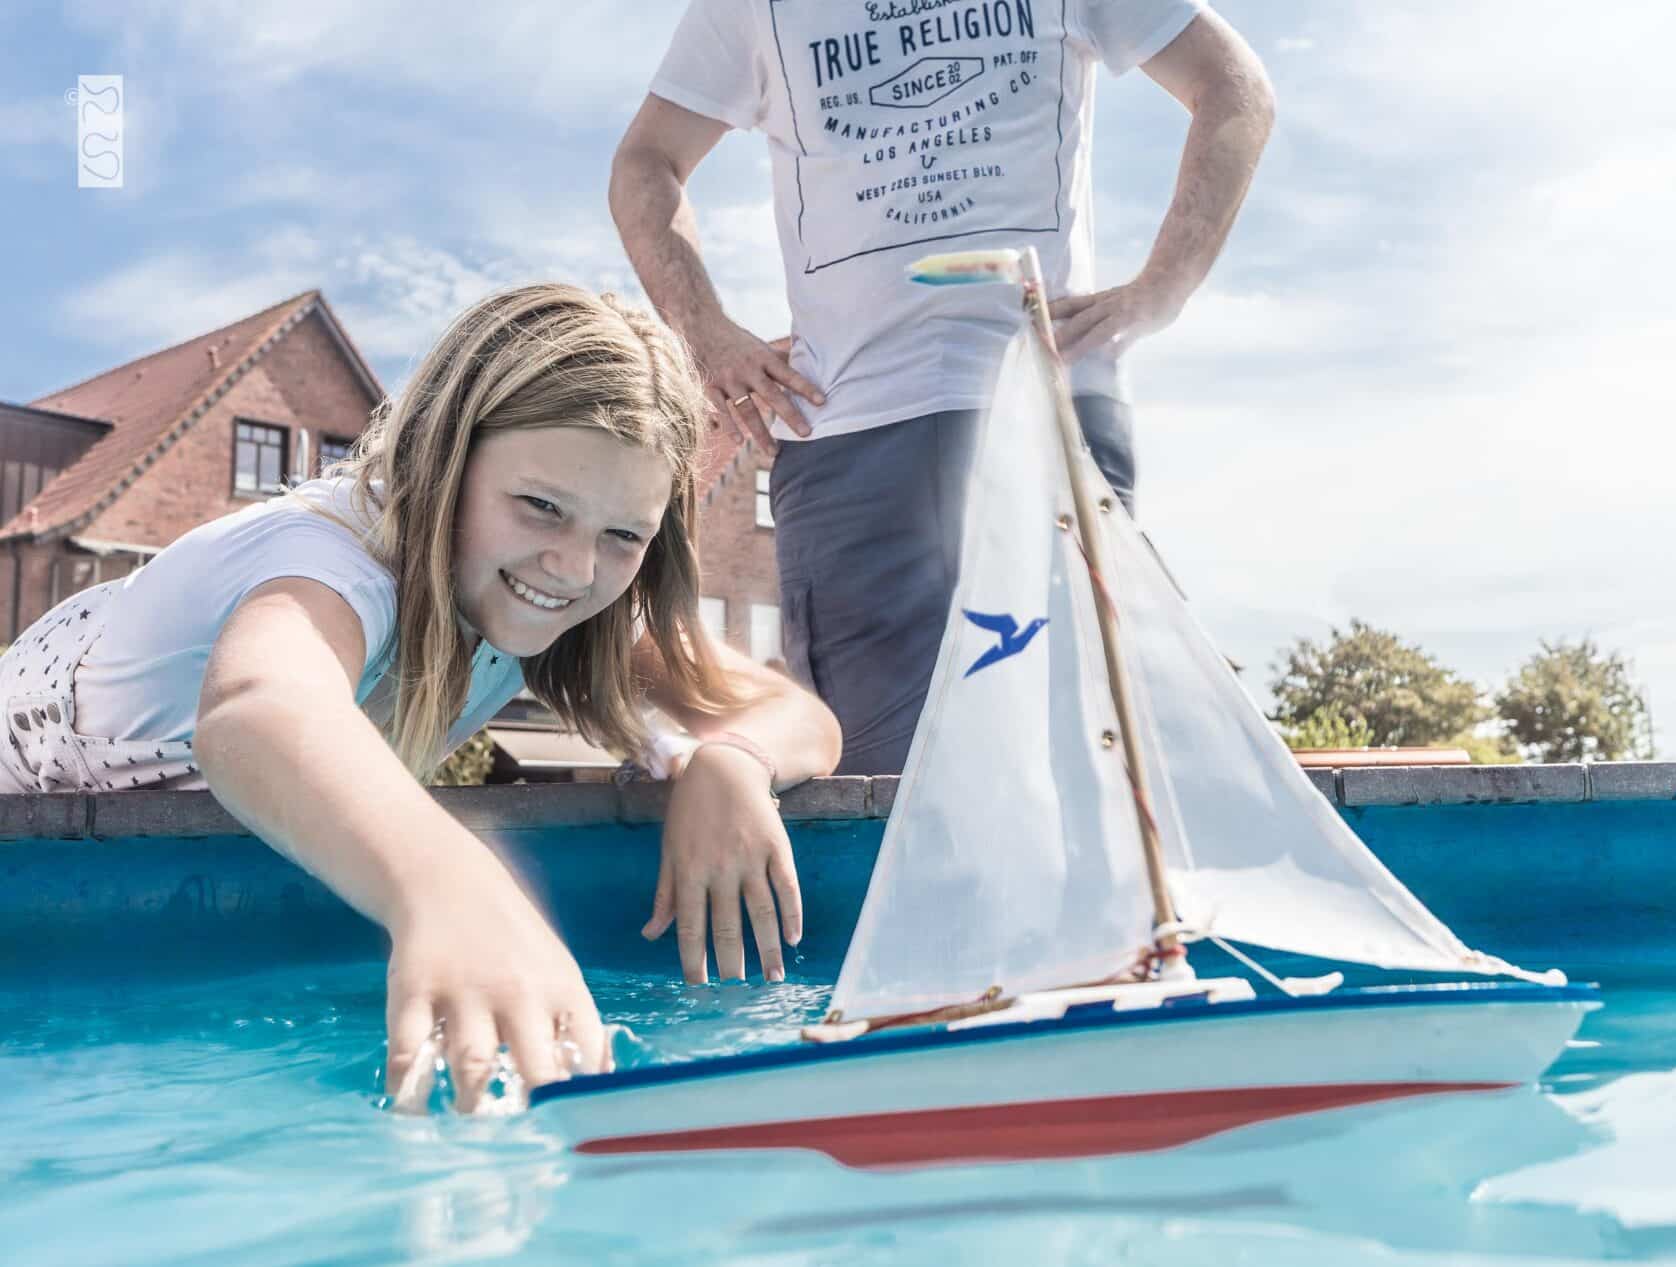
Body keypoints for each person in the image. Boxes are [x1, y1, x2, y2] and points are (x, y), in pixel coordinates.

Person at [0, 283, 841, 1110]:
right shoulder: (336, 559)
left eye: (623, 535)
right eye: (540, 505)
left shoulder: (549, 600)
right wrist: (452, 887)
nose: (577, 567)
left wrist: (732, 761)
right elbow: (258, 709)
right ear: (444, 456)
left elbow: (800, 716)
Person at [610, 0, 1273, 774]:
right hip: (848, 431)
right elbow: (645, 162)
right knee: (877, 780)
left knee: (1082, 758)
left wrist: (1162, 287)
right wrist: (707, 334)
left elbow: (1235, 87)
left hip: (1045, 411)